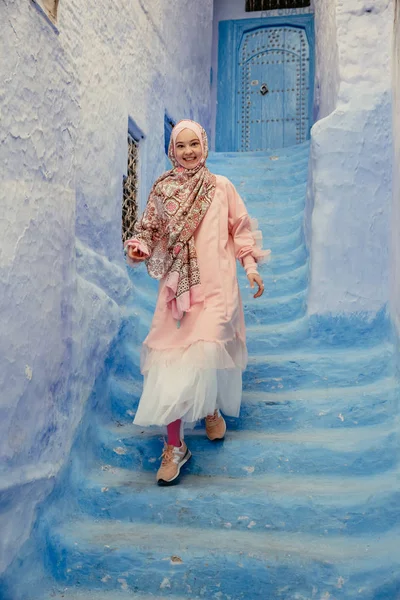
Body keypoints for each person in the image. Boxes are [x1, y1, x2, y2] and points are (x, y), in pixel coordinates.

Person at [124, 119, 270, 486]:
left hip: (216, 286)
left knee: (205, 352)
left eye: (195, 144)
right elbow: (148, 230)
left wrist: (250, 265)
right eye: (181, 145)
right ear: (172, 149)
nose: (188, 151)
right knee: (172, 362)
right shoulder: (163, 188)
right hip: (178, 291)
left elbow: (240, 229)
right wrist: (140, 248)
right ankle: (174, 446)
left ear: (204, 146)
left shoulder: (221, 187)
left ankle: (209, 408)